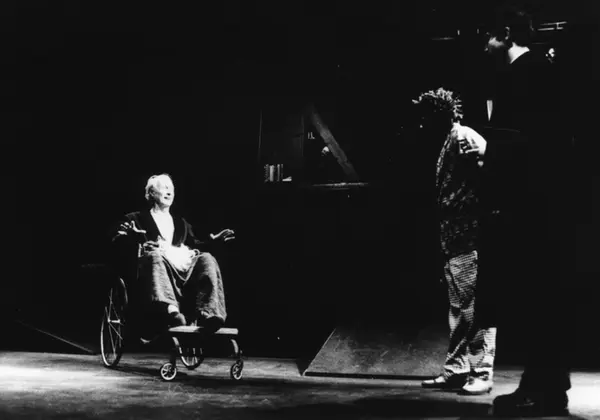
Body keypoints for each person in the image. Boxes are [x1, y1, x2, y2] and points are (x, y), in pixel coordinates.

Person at [454, 7, 575, 417]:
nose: (484, 46)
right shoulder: (527, 72)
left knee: (538, 299)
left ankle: (543, 389)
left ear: (505, 34)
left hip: (535, 210)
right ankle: (545, 387)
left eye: (487, 36)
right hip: (534, 205)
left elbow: (543, 144)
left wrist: (489, 151)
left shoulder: (530, 73)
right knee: (540, 300)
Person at [415, 88, 497, 396]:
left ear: (439, 115)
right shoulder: (448, 141)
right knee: (459, 309)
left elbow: (491, 173)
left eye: (426, 117)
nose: (422, 124)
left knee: (473, 308)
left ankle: (481, 371)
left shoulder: (463, 137)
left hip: (469, 236)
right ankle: (457, 369)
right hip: (453, 238)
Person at [111, 173, 235, 333]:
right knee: (154, 255)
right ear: (151, 193)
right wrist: (133, 238)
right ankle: (172, 312)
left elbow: (195, 245)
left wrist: (214, 241)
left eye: (171, 189)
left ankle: (210, 314)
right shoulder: (135, 219)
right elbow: (116, 241)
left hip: (181, 271)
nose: (169, 192)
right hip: (152, 272)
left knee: (206, 258)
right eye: (163, 188)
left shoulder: (181, 224)